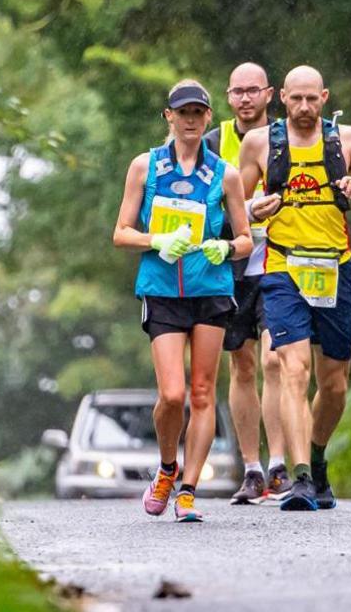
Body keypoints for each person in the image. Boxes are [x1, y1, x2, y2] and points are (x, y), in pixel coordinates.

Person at [236, 65, 351, 511]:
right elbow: (234, 205)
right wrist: (254, 208)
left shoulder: (348, 139)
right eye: (295, 99)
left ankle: (316, 459)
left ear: (325, 96)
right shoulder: (260, 143)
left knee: (334, 384)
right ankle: (298, 478)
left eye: (312, 99)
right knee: (293, 370)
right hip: (282, 267)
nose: (303, 107)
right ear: (282, 98)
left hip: (335, 267)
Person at [113, 79, 253, 522]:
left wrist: (225, 249)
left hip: (210, 289)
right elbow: (121, 233)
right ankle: (168, 467)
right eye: (183, 113)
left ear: (209, 118)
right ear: (168, 117)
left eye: (198, 113)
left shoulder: (225, 174)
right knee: (172, 395)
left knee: (203, 391)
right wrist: (157, 240)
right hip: (162, 290)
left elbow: (247, 237)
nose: (191, 120)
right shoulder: (145, 167)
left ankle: (189, 490)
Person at [203, 62, 290, 504]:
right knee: (242, 364)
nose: (244, 99)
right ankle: (252, 467)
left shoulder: (287, 136)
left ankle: (280, 464)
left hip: (278, 260)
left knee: (277, 360)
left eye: (253, 91)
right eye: (237, 92)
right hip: (232, 264)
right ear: (228, 95)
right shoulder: (212, 142)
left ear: (270, 94)